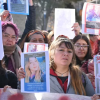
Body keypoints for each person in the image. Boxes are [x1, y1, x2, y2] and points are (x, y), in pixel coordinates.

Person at [18, 37, 94, 96]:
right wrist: (20, 81)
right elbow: (26, 96)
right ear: (52, 53)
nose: (65, 54)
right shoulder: (41, 74)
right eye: (61, 50)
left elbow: (92, 97)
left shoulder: (81, 76)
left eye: (69, 51)